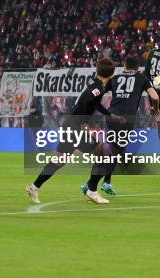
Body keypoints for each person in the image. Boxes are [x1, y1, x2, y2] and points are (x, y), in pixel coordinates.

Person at [25, 57, 123, 205]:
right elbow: (85, 101)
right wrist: (83, 122)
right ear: (112, 73)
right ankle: (92, 191)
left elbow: (94, 104)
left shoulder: (96, 86)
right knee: (104, 153)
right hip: (75, 127)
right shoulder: (98, 88)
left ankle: (34, 187)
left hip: (70, 125)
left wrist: (110, 115)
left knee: (59, 161)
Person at [80, 56, 159, 198]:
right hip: (126, 120)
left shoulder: (115, 78)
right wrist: (155, 109)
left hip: (111, 117)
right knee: (112, 153)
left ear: (124, 66)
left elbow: (99, 91)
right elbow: (155, 96)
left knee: (110, 151)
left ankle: (105, 182)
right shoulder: (142, 78)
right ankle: (91, 185)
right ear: (137, 67)